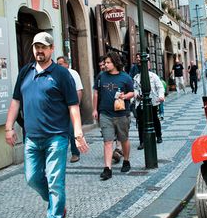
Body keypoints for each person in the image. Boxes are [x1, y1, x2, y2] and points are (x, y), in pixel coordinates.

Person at [5, 32, 88, 218]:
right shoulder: (25, 71)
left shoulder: (61, 74)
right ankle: (57, 205)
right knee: (32, 178)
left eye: (43, 47)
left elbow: (73, 105)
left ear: (52, 49)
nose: (39, 51)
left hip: (56, 137)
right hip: (32, 138)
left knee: (55, 181)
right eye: (36, 47)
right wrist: (8, 127)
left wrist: (78, 133)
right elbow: (16, 100)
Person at [93, 52, 135, 180]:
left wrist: (124, 96)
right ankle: (107, 168)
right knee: (107, 141)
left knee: (124, 139)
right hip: (105, 114)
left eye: (108, 63)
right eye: (104, 63)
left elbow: (132, 93)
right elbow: (96, 93)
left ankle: (126, 161)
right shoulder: (101, 76)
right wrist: (95, 109)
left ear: (115, 63)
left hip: (122, 114)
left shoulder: (125, 77)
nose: (105, 65)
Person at [56, 56, 84, 163]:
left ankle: (75, 153)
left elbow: (79, 90)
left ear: (66, 64)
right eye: (57, 63)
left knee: (73, 131)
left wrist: (76, 105)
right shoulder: (56, 74)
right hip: (59, 108)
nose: (58, 66)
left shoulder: (73, 73)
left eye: (60, 64)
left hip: (71, 107)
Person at [133, 61, 165, 150]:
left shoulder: (153, 76)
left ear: (149, 66)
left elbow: (160, 87)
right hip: (141, 102)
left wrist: (161, 96)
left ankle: (158, 136)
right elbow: (134, 88)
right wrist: (136, 95)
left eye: (146, 64)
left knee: (155, 119)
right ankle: (142, 141)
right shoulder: (136, 77)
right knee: (140, 122)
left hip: (152, 101)